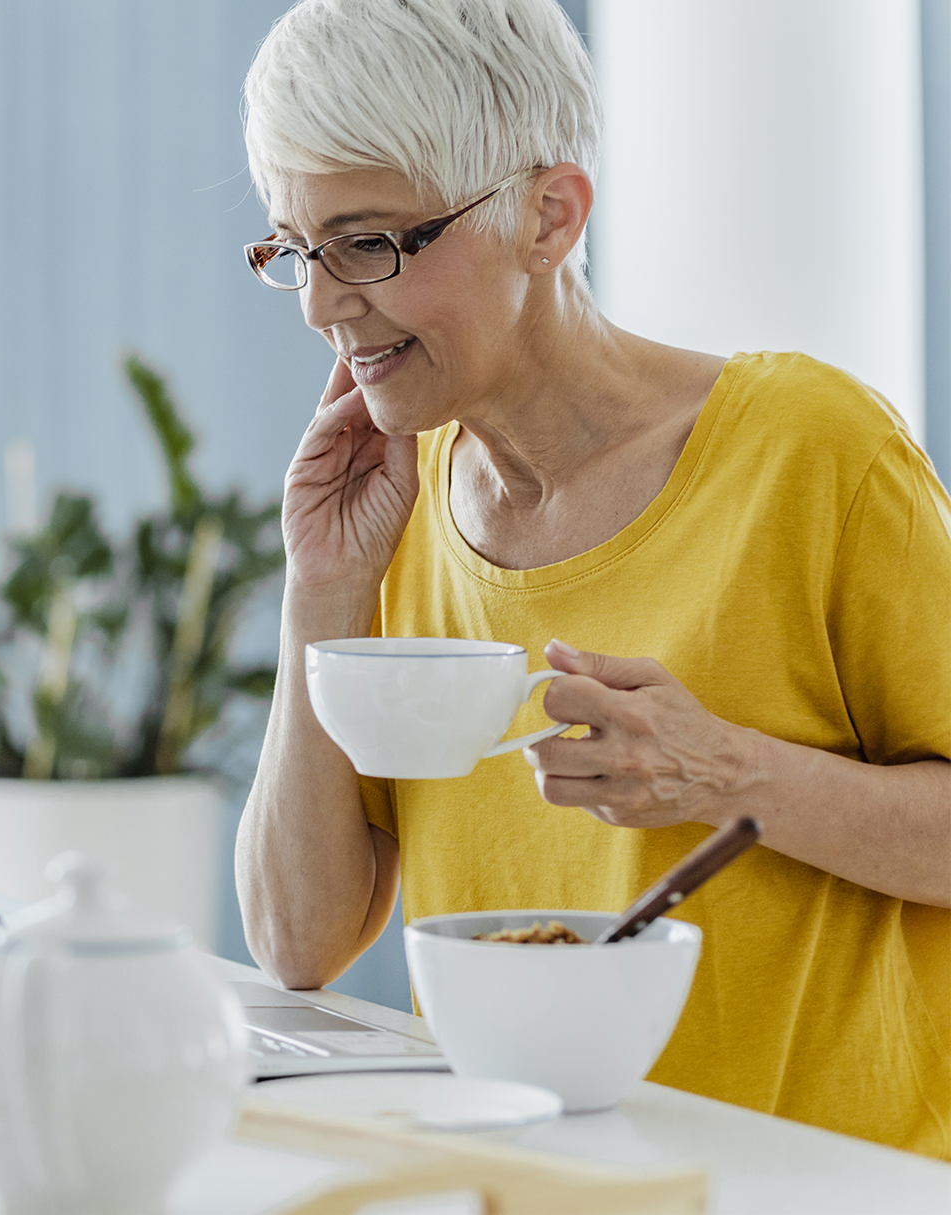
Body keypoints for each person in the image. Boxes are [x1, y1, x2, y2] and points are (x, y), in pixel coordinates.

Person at [233, 0, 951, 1159]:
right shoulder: (397, 495)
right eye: (295, 250)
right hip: (522, 1174)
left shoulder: (812, 452)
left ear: (548, 216)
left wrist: (727, 771)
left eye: (367, 244)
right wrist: (321, 587)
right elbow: (297, 943)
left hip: (817, 1182)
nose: (322, 303)